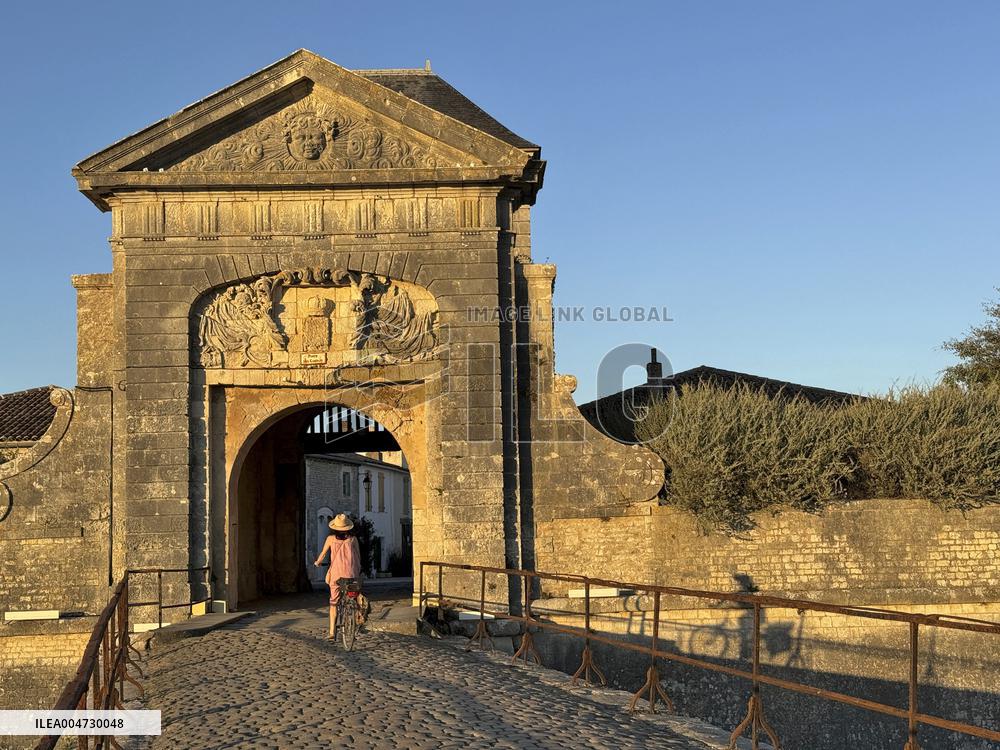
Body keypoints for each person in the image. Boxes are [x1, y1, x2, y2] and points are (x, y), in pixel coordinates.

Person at [313, 513, 361, 640]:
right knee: (354, 599)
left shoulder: (330, 539)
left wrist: (317, 563)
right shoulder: (353, 539)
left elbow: (323, 554)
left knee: (333, 603)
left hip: (336, 575)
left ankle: (332, 632)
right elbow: (358, 557)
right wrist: (357, 570)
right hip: (352, 575)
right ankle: (354, 627)